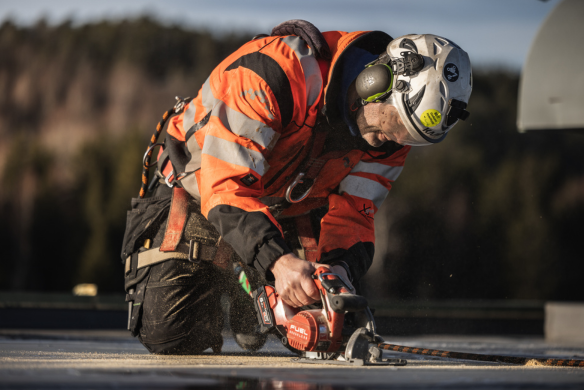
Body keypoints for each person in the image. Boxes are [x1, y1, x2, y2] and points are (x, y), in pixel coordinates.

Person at [121, 20, 472, 355]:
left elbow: (354, 216)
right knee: (172, 334)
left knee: (321, 330)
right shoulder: (275, 74)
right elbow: (225, 185)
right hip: (198, 189)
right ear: (375, 81)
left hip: (285, 206)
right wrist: (278, 262)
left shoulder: (393, 141)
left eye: (408, 138)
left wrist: (339, 271)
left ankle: (253, 294)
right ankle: (244, 279)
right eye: (392, 127)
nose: (390, 143)